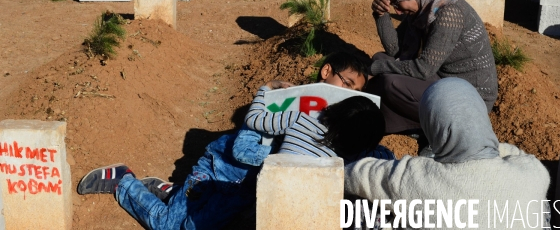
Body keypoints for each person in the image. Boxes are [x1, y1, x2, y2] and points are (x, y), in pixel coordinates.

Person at [77, 52, 394, 230]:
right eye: (345, 84)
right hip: (220, 171)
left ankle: (169, 192)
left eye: (354, 92)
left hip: (249, 192)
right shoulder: (286, 104)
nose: (347, 94)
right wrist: (288, 166)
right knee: (172, 228)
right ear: (327, 71)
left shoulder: (345, 129)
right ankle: (123, 182)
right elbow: (242, 149)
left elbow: (380, 157)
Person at [345, 78, 551, 230]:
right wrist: (483, 145)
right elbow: (513, 153)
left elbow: (357, 175)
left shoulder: (416, 177)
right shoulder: (533, 172)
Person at [367, 0, 498, 134]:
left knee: (392, 82)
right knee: (380, 58)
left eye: (398, 3)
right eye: (392, 5)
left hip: (470, 99)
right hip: (445, 81)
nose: (397, 11)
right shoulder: (423, 10)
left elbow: (424, 69)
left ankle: (439, 132)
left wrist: (375, 68)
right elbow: (395, 51)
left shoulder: (449, 13)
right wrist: (381, 14)